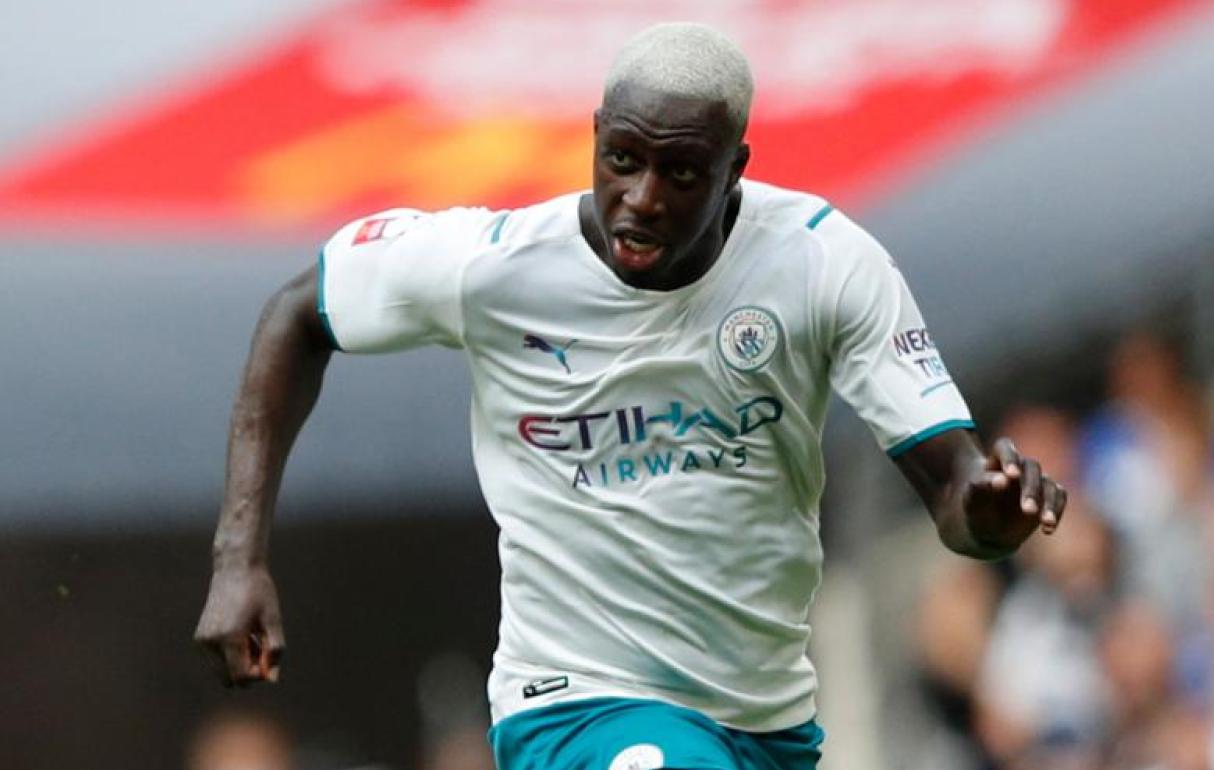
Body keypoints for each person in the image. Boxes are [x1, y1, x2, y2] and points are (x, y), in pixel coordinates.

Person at [194, 22, 1067, 770]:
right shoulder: (495, 267)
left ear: (734, 168)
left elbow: (955, 491)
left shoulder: (822, 264)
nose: (641, 200)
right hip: (573, 704)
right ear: (596, 138)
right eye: (622, 160)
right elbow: (297, 315)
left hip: (763, 721)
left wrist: (992, 516)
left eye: (680, 174)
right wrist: (239, 559)